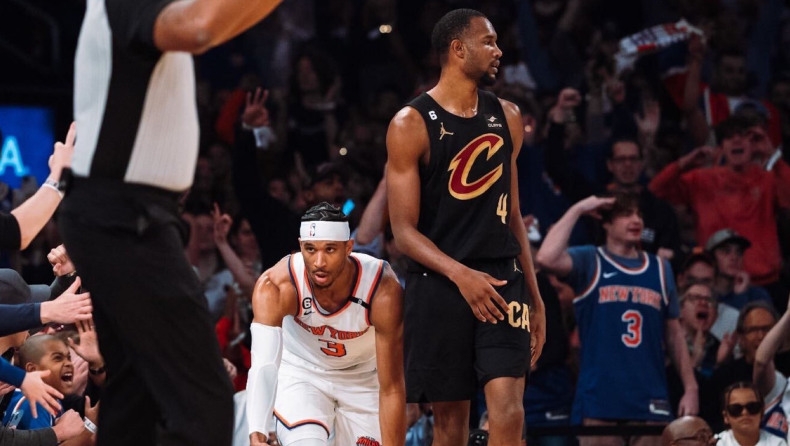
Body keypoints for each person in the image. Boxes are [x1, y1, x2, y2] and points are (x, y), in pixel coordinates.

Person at [59, 1, 283, 444]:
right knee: (204, 404)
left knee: (135, 400)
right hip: (123, 217)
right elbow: (201, 27)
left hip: (123, 214)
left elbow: (208, 27)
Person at [385, 8, 547, 445]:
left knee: (508, 412)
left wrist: (535, 297)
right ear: (458, 49)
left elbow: (513, 214)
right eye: (488, 42)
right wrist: (461, 275)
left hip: (501, 279)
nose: (499, 51)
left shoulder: (508, 116)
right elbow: (403, 232)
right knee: (450, 426)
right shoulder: (410, 123)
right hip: (440, 284)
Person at [536, 192, 698, 446]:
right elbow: (546, 257)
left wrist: (690, 388)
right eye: (625, 214)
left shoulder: (660, 268)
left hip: (650, 400)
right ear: (606, 223)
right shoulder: (590, 260)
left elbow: (674, 335)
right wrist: (579, 207)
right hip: (600, 401)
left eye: (639, 214)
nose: (636, 220)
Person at [245, 202, 405, 446]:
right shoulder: (276, 285)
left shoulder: (382, 289)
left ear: (348, 247)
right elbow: (263, 364)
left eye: (330, 249)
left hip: (363, 377)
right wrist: (257, 433)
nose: (319, 261)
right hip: (303, 372)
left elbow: (392, 387)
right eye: (310, 249)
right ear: (300, 246)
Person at [2, 334, 98, 446]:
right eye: (58, 358)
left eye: (69, 358)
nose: (68, 363)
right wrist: (89, 428)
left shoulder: (41, 398)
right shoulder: (36, 404)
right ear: (32, 369)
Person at [715, 382, 785, 446]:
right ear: (726, 417)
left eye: (752, 407)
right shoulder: (716, 443)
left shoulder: (778, 444)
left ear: (762, 413)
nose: (745, 412)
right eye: (736, 409)